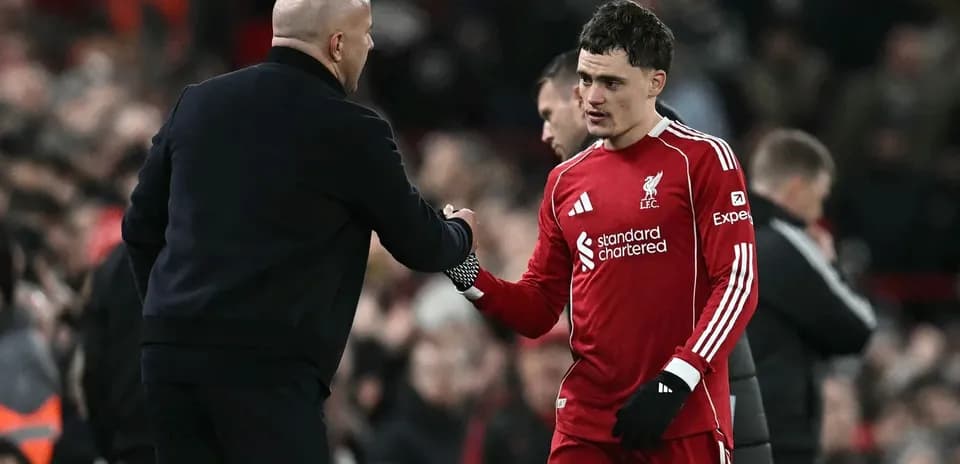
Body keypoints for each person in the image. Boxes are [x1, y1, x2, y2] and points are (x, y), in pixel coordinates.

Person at [120, 0, 477, 462]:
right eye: (366, 32)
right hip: (267, 370)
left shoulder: (198, 102)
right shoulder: (354, 130)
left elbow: (139, 226)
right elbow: (420, 244)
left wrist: (167, 315)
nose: (371, 44)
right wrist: (461, 232)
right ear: (337, 44)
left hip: (170, 360)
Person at [443, 1, 758, 462]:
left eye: (611, 83)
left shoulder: (704, 159)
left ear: (655, 83)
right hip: (586, 425)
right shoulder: (564, 182)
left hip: (679, 415)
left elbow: (738, 282)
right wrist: (465, 271)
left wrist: (678, 378)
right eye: (587, 79)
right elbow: (538, 309)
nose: (592, 97)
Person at [536, 48, 774, 464]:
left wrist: (674, 383)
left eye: (548, 114)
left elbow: (736, 283)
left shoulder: (680, 166)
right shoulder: (582, 186)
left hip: (687, 411)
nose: (544, 133)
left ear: (578, 98)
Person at [745, 129, 877, 464]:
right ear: (796, 189)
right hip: (778, 431)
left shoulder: (716, 233)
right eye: (819, 197)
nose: (818, 213)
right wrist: (830, 263)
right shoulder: (786, 242)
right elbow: (858, 326)